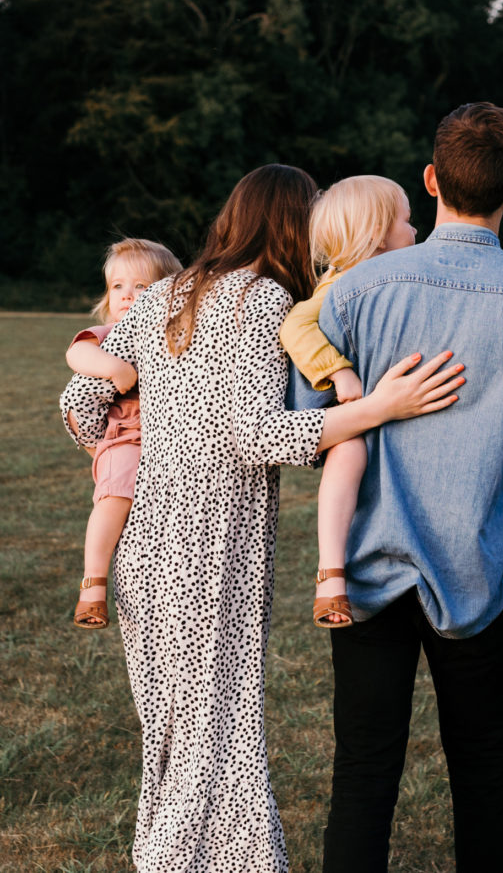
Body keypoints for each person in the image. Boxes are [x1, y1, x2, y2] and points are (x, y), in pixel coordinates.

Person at [59, 164, 464, 873]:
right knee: (219, 731)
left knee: (174, 731)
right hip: (212, 545)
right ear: (291, 224)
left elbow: (79, 402)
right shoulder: (261, 299)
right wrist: (375, 410)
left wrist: (138, 440)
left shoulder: (164, 293)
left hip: (146, 539)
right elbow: (255, 434)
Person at [288, 105, 503, 872]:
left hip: (364, 570)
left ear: (429, 180)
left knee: (363, 772)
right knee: (482, 768)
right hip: (477, 564)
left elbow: (309, 421)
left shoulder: (352, 293)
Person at [280, 176, 503, 629]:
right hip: (465, 551)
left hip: (377, 542)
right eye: (406, 221)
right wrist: (340, 373)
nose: (415, 230)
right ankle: (330, 571)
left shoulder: (360, 292)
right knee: (498, 446)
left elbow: (306, 407)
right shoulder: (338, 289)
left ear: (433, 180)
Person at [67, 238, 182, 629]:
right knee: (115, 496)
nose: (128, 295)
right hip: (124, 437)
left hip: (168, 443)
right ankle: (93, 583)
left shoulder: (169, 336)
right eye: (118, 286)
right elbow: (77, 354)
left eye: (143, 286)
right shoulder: (109, 335)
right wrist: (114, 368)